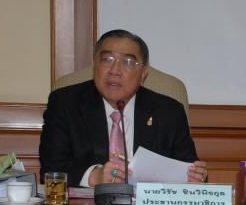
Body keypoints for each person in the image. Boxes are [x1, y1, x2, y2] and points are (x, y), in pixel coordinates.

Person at [39, 29, 207, 186]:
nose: (115, 71)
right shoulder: (65, 103)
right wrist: (94, 176)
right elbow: (51, 168)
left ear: (143, 73)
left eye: (128, 62)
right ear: (95, 64)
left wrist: (195, 177)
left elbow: (187, 167)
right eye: (107, 59)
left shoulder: (169, 112)